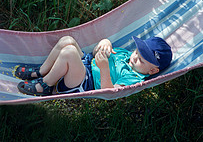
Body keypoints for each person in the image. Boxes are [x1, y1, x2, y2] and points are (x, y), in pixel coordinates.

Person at [15, 35, 172, 96]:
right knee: (67, 40)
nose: (135, 56)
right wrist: (104, 43)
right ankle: (42, 71)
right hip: (87, 63)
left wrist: (104, 69)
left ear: (152, 70)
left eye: (141, 60)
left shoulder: (134, 78)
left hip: (84, 82)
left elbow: (109, 92)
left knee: (69, 52)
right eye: (137, 51)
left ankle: (46, 85)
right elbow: (96, 51)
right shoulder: (125, 54)